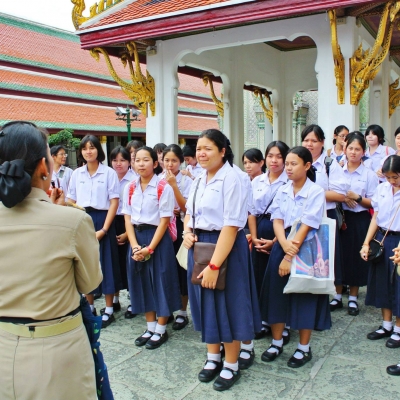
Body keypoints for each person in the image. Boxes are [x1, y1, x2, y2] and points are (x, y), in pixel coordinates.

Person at [0, 121, 102, 399]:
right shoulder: (74, 221)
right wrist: (59, 217)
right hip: (57, 349)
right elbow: (89, 283)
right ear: (44, 167)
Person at [183, 129, 260, 391]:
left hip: (225, 247)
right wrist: (186, 232)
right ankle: (213, 356)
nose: (201, 154)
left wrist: (214, 265)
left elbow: (231, 225)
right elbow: (189, 213)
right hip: (200, 246)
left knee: (229, 305)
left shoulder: (234, 178)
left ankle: (231, 363)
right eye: (198, 149)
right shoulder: (198, 178)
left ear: (222, 151)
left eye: (208, 148)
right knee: (206, 303)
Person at [259, 146, 330, 368]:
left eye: (293, 164)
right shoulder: (283, 190)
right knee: (276, 295)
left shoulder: (315, 191)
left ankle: (303, 348)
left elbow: (307, 224)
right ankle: (277, 342)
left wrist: (289, 256)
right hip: (284, 244)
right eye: (287, 164)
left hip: (306, 248)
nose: (288, 168)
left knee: (304, 296)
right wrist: (283, 244)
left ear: (307, 166)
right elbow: (277, 220)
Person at [122, 146, 181, 349]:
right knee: (142, 282)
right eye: (137, 160)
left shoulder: (163, 187)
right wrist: (134, 246)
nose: (141, 164)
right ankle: (150, 326)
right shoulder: (130, 187)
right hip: (137, 238)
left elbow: (164, 221)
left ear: (155, 163)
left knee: (161, 282)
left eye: (145, 160)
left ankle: (161, 329)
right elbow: (127, 218)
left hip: (158, 238)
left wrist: (150, 248)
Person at [67, 135, 122, 328]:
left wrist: (105, 229)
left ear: (98, 150)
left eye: (92, 147)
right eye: (84, 148)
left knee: (107, 264)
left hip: (103, 219)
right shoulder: (77, 174)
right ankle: (89, 306)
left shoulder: (108, 173)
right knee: (85, 263)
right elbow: (70, 199)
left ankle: (109, 309)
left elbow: (114, 202)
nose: (88, 151)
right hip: (82, 218)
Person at [300, 125, 349, 312]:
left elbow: (340, 195)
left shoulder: (329, 164)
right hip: (303, 216)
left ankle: (336, 294)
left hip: (325, 216)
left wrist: (313, 193)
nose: (309, 144)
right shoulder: (297, 161)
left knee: (329, 256)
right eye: (306, 140)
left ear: (322, 142)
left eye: (314, 140)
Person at [248, 141, 289, 339]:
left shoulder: (289, 182)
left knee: (277, 279)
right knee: (258, 276)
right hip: (258, 229)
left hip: (280, 233)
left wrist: (274, 241)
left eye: (279, 157)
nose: (274, 160)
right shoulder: (257, 181)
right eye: (271, 156)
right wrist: (255, 237)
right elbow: (251, 211)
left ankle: (283, 322)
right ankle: (262, 319)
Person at [361, 155, 400, 346]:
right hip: (382, 238)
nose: (392, 181)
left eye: (396, 177)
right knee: (382, 282)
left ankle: (398, 329)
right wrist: (366, 242)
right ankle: (386, 324)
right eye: (388, 177)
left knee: (398, 285)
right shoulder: (382, 189)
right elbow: (376, 217)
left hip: (399, 240)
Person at [339, 133, 379, 316]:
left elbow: (374, 203)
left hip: (359, 219)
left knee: (356, 258)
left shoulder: (369, 175)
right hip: (341, 217)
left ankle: (353, 297)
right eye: (350, 148)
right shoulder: (337, 170)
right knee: (339, 255)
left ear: (363, 152)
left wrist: (357, 197)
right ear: (345, 149)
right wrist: (343, 198)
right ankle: (337, 295)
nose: (353, 152)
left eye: (357, 149)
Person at [161, 144, 193, 330]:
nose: (170, 164)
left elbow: (187, 207)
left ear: (181, 161)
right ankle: (167, 309)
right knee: (166, 268)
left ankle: (182, 311)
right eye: (166, 160)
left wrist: (174, 186)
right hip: (163, 228)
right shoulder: (158, 179)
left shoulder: (187, 180)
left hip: (181, 226)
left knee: (181, 269)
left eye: (174, 160)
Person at [109, 146, 137, 319]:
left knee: (130, 264)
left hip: (130, 223)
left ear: (129, 162)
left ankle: (133, 300)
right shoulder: (108, 177)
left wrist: (127, 233)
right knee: (113, 263)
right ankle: (115, 299)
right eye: (115, 160)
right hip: (111, 221)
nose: (118, 164)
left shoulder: (134, 180)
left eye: (122, 160)